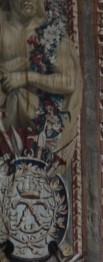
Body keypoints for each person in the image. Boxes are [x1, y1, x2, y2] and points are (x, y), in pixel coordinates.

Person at [0, 0, 82, 161]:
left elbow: (69, 82)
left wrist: (27, 77)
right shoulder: (2, 27)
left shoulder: (50, 33)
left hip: (37, 120)